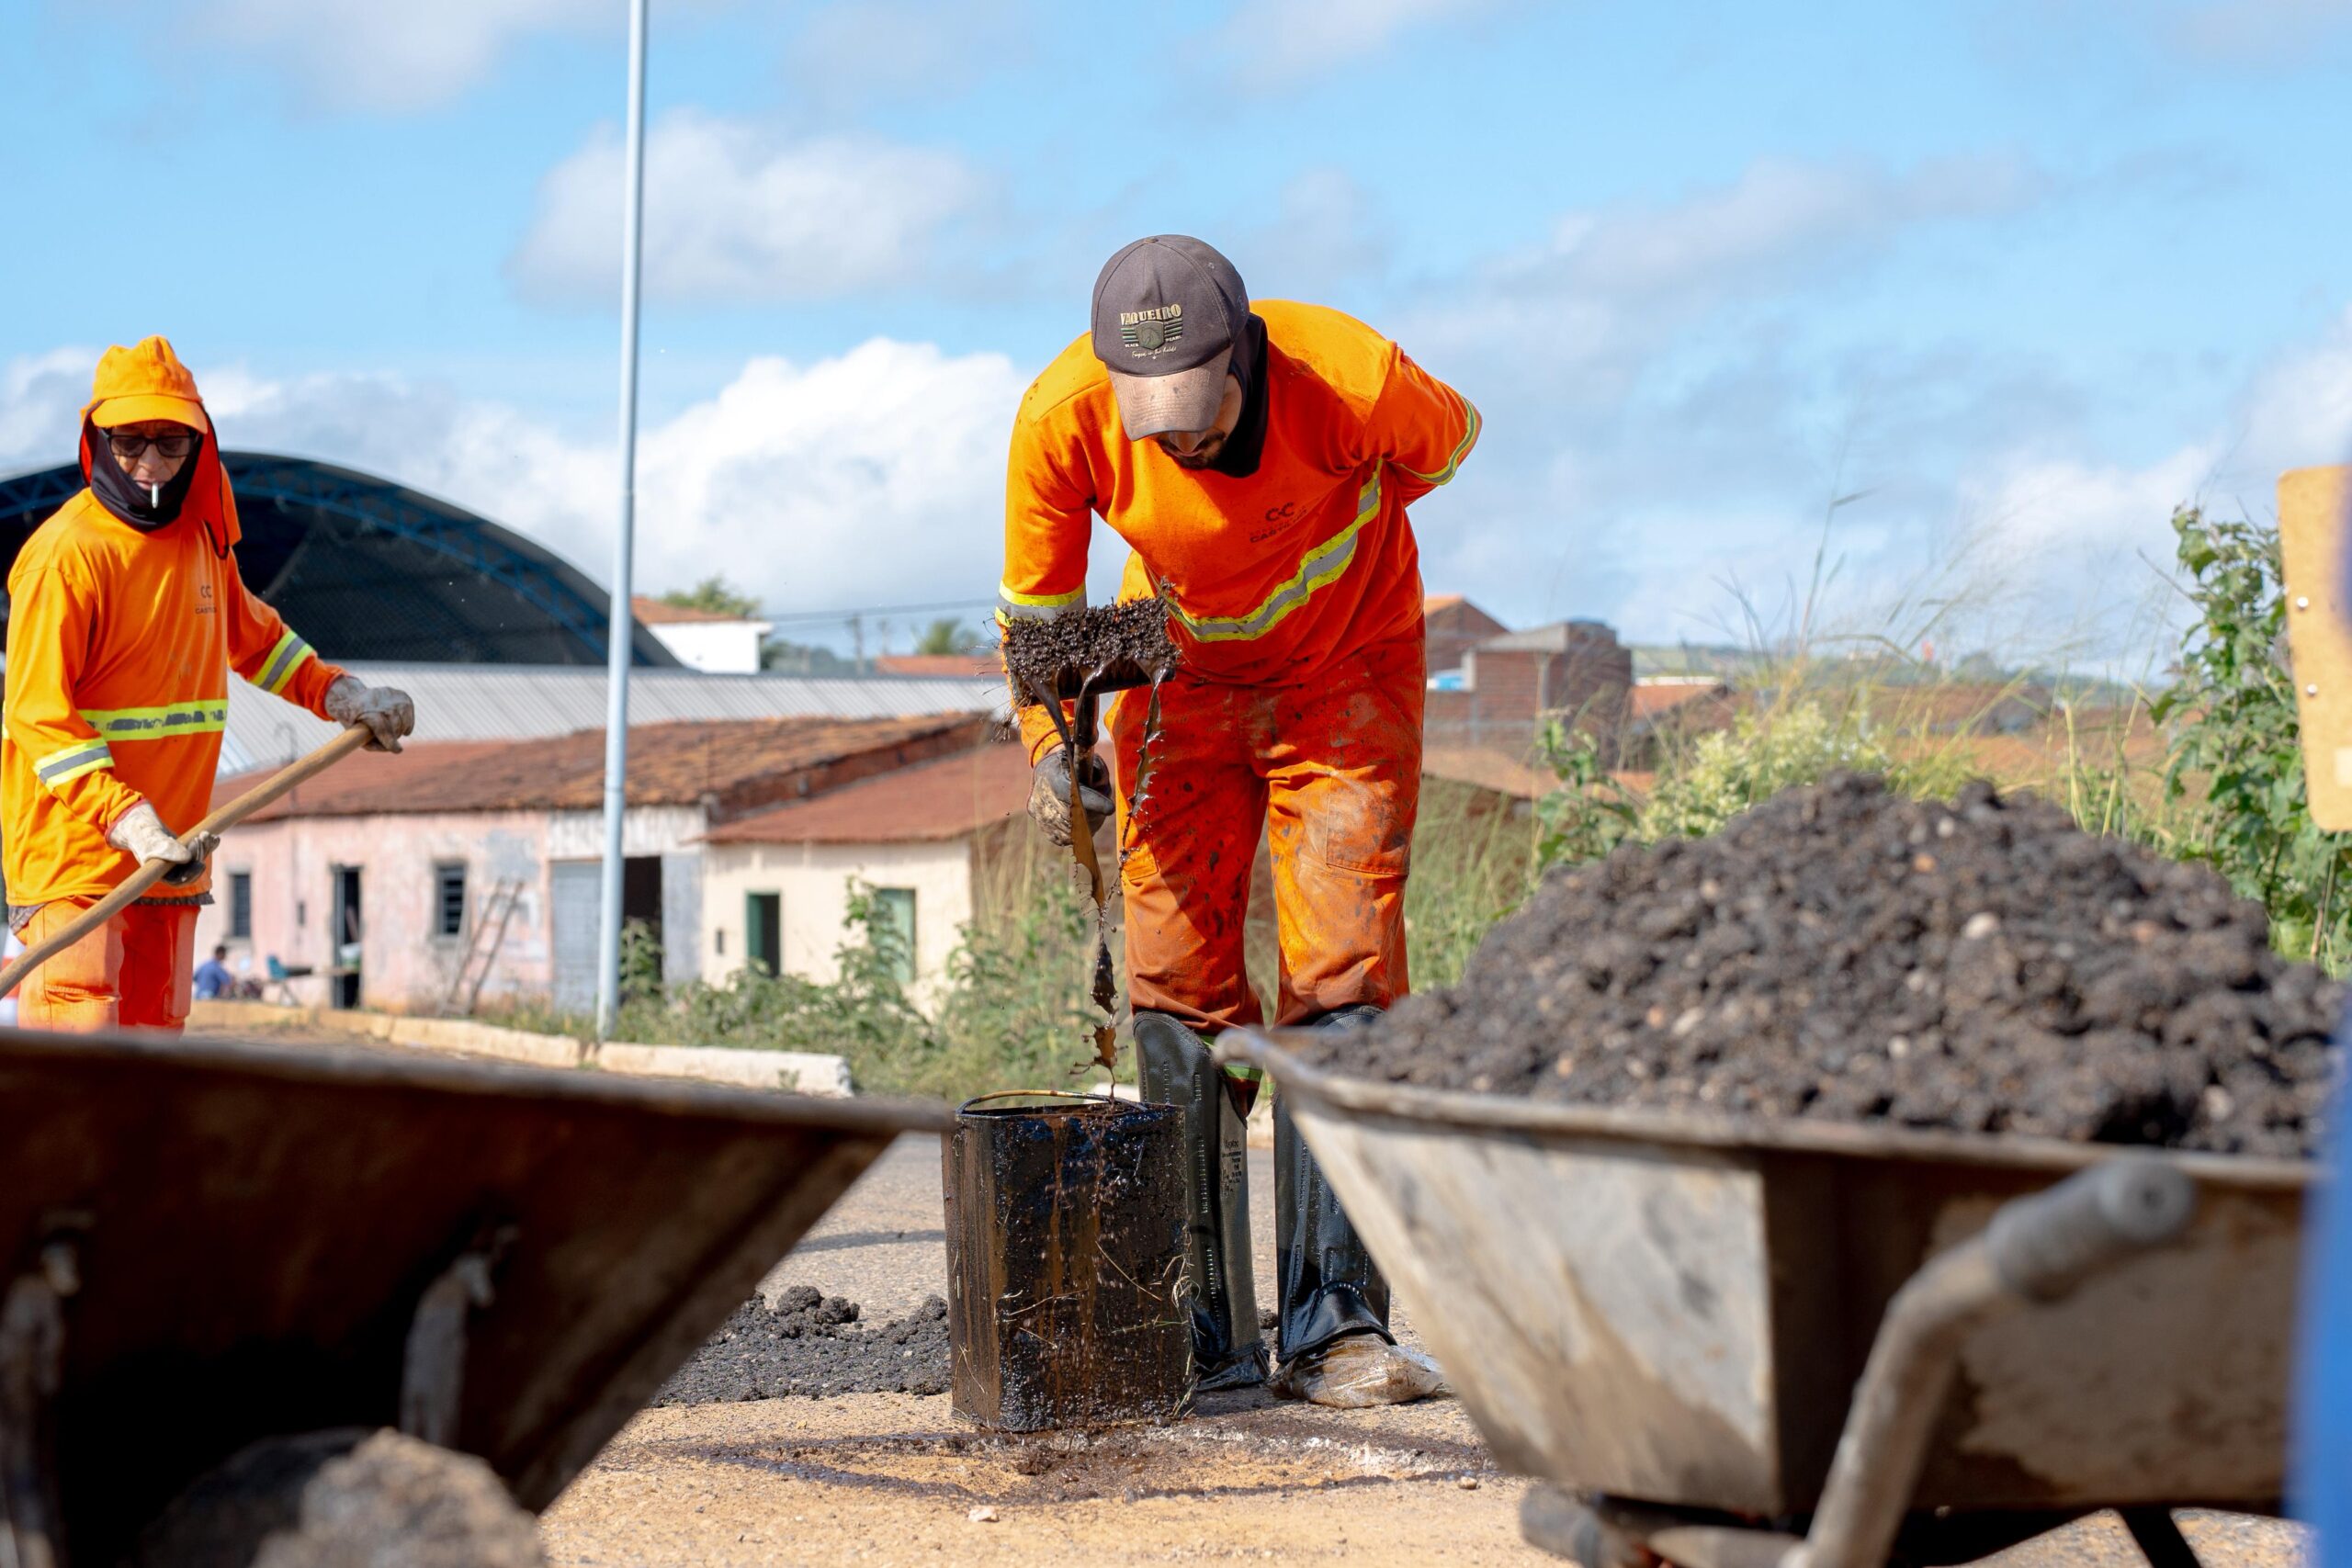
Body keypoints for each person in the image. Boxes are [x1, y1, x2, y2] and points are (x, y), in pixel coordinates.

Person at [1001, 237, 1477, 1405]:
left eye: (1196, 413)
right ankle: (1199, 1335)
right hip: (1179, 691)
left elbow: (1445, 449)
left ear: (1246, 355)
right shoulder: (1060, 421)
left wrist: (1325, 531)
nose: (1176, 440)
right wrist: (1055, 751)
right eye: (1149, 417)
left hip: (1347, 675)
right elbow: (1041, 624)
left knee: (1342, 968)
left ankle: (1336, 1332)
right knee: (1171, 978)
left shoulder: (1353, 379)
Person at [2, 337, 415, 1034]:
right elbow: (38, 715)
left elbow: (257, 640)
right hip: (78, 860)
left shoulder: (199, 539)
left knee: (156, 1060)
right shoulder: (66, 558)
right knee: (79, 1066)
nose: (151, 464)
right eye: (131, 443)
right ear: (97, 439)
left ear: (199, 442)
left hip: (176, 852)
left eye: (170, 443)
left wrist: (341, 695)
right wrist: (127, 817)